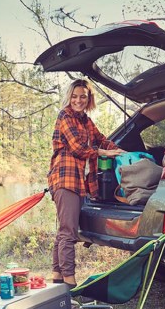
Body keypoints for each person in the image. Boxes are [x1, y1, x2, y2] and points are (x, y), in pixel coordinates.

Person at [48, 79, 124, 288]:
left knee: (64, 231)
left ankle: (57, 280)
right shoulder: (65, 116)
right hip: (64, 179)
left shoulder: (85, 121)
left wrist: (121, 151)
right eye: (74, 96)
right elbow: (78, 148)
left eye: (83, 96)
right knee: (69, 234)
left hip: (77, 182)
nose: (78, 100)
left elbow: (101, 139)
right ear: (69, 97)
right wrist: (103, 152)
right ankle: (70, 285)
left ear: (89, 98)